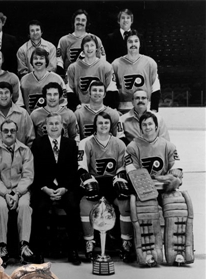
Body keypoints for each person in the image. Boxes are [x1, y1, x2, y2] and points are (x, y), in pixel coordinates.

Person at [125, 111, 193, 266]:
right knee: (146, 210)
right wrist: (162, 178)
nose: (147, 127)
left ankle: (178, 252)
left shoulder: (168, 145)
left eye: (150, 124)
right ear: (140, 128)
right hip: (144, 190)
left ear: (156, 126)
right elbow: (133, 173)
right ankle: (149, 253)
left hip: (166, 189)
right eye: (144, 125)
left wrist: (167, 179)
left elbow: (176, 171)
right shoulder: (132, 147)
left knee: (178, 207)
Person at [78, 112, 134, 262]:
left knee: (125, 204)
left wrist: (120, 178)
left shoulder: (119, 143)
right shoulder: (86, 142)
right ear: (95, 125)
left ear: (111, 125)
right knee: (85, 206)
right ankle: (89, 242)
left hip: (112, 182)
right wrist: (87, 180)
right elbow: (82, 166)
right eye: (100, 123)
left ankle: (126, 243)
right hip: (94, 182)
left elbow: (124, 166)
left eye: (106, 123)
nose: (103, 125)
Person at [31, 113, 81, 265]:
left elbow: (74, 170)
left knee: (73, 207)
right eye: (50, 124)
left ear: (62, 126)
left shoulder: (71, 144)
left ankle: (73, 250)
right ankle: (38, 251)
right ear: (45, 127)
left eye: (56, 123)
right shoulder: (38, 144)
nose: (53, 126)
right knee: (39, 209)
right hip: (44, 187)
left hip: (65, 187)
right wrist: (45, 188)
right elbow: (35, 170)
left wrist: (64, 189)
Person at [0, 119, 35, 265]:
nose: (9, 133)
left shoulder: (25, 150)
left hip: (21, 190)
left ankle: (24, 246)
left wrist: (18, 193)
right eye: (6, 131)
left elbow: (28, 175)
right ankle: (2, 247)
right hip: (1, 191)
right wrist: (6, 194)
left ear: (16, 132)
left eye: (12, 131)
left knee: (25, 206)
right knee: (0, 207)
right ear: (1, 132)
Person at [112, 29, 161, 113]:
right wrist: (114, 110)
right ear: (126, 44)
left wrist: (154, 109)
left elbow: (156, 88)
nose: (133, 44)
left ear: (140, 43)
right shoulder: (116, 64)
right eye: (130, 42)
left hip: (145, 109)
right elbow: (111, 89)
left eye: (136, 41)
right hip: (123, 110)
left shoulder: (150, 63)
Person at [0, 81, 34, 154]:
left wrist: (24, 157)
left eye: (6, 92)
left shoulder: (23, 114)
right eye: (0, 93)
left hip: (20, 160)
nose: (3, 96)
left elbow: (31, 139)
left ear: (11, 95)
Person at [66, 34, 118, 111]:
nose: (89, 48)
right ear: (82, 48)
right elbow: (69, 90)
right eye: (86, 45)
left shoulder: (107, 66)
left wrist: (103, 108)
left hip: (101, 110)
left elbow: (112, 89)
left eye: (92, 45)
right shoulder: (72, 67)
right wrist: (76, 106)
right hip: (81, 109)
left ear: (96, 48)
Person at [56, 9, 106, 77]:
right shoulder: (64, 40)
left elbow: (102, 59)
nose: (80, 22)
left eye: (83, 20)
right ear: (73, 21)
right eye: (78, 19)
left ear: (87, 23)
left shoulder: (95, 39)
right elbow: (59, 60)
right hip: (70, 76)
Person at [20, 47, 65, 114]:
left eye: (41, 58)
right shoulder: (24, 80)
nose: (38, 61)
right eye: (35, 58)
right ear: (31, 61)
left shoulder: (57, 79)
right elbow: (20, 104)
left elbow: (63, 103)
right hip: (31, 120)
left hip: (52, 120)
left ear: (46, 61)